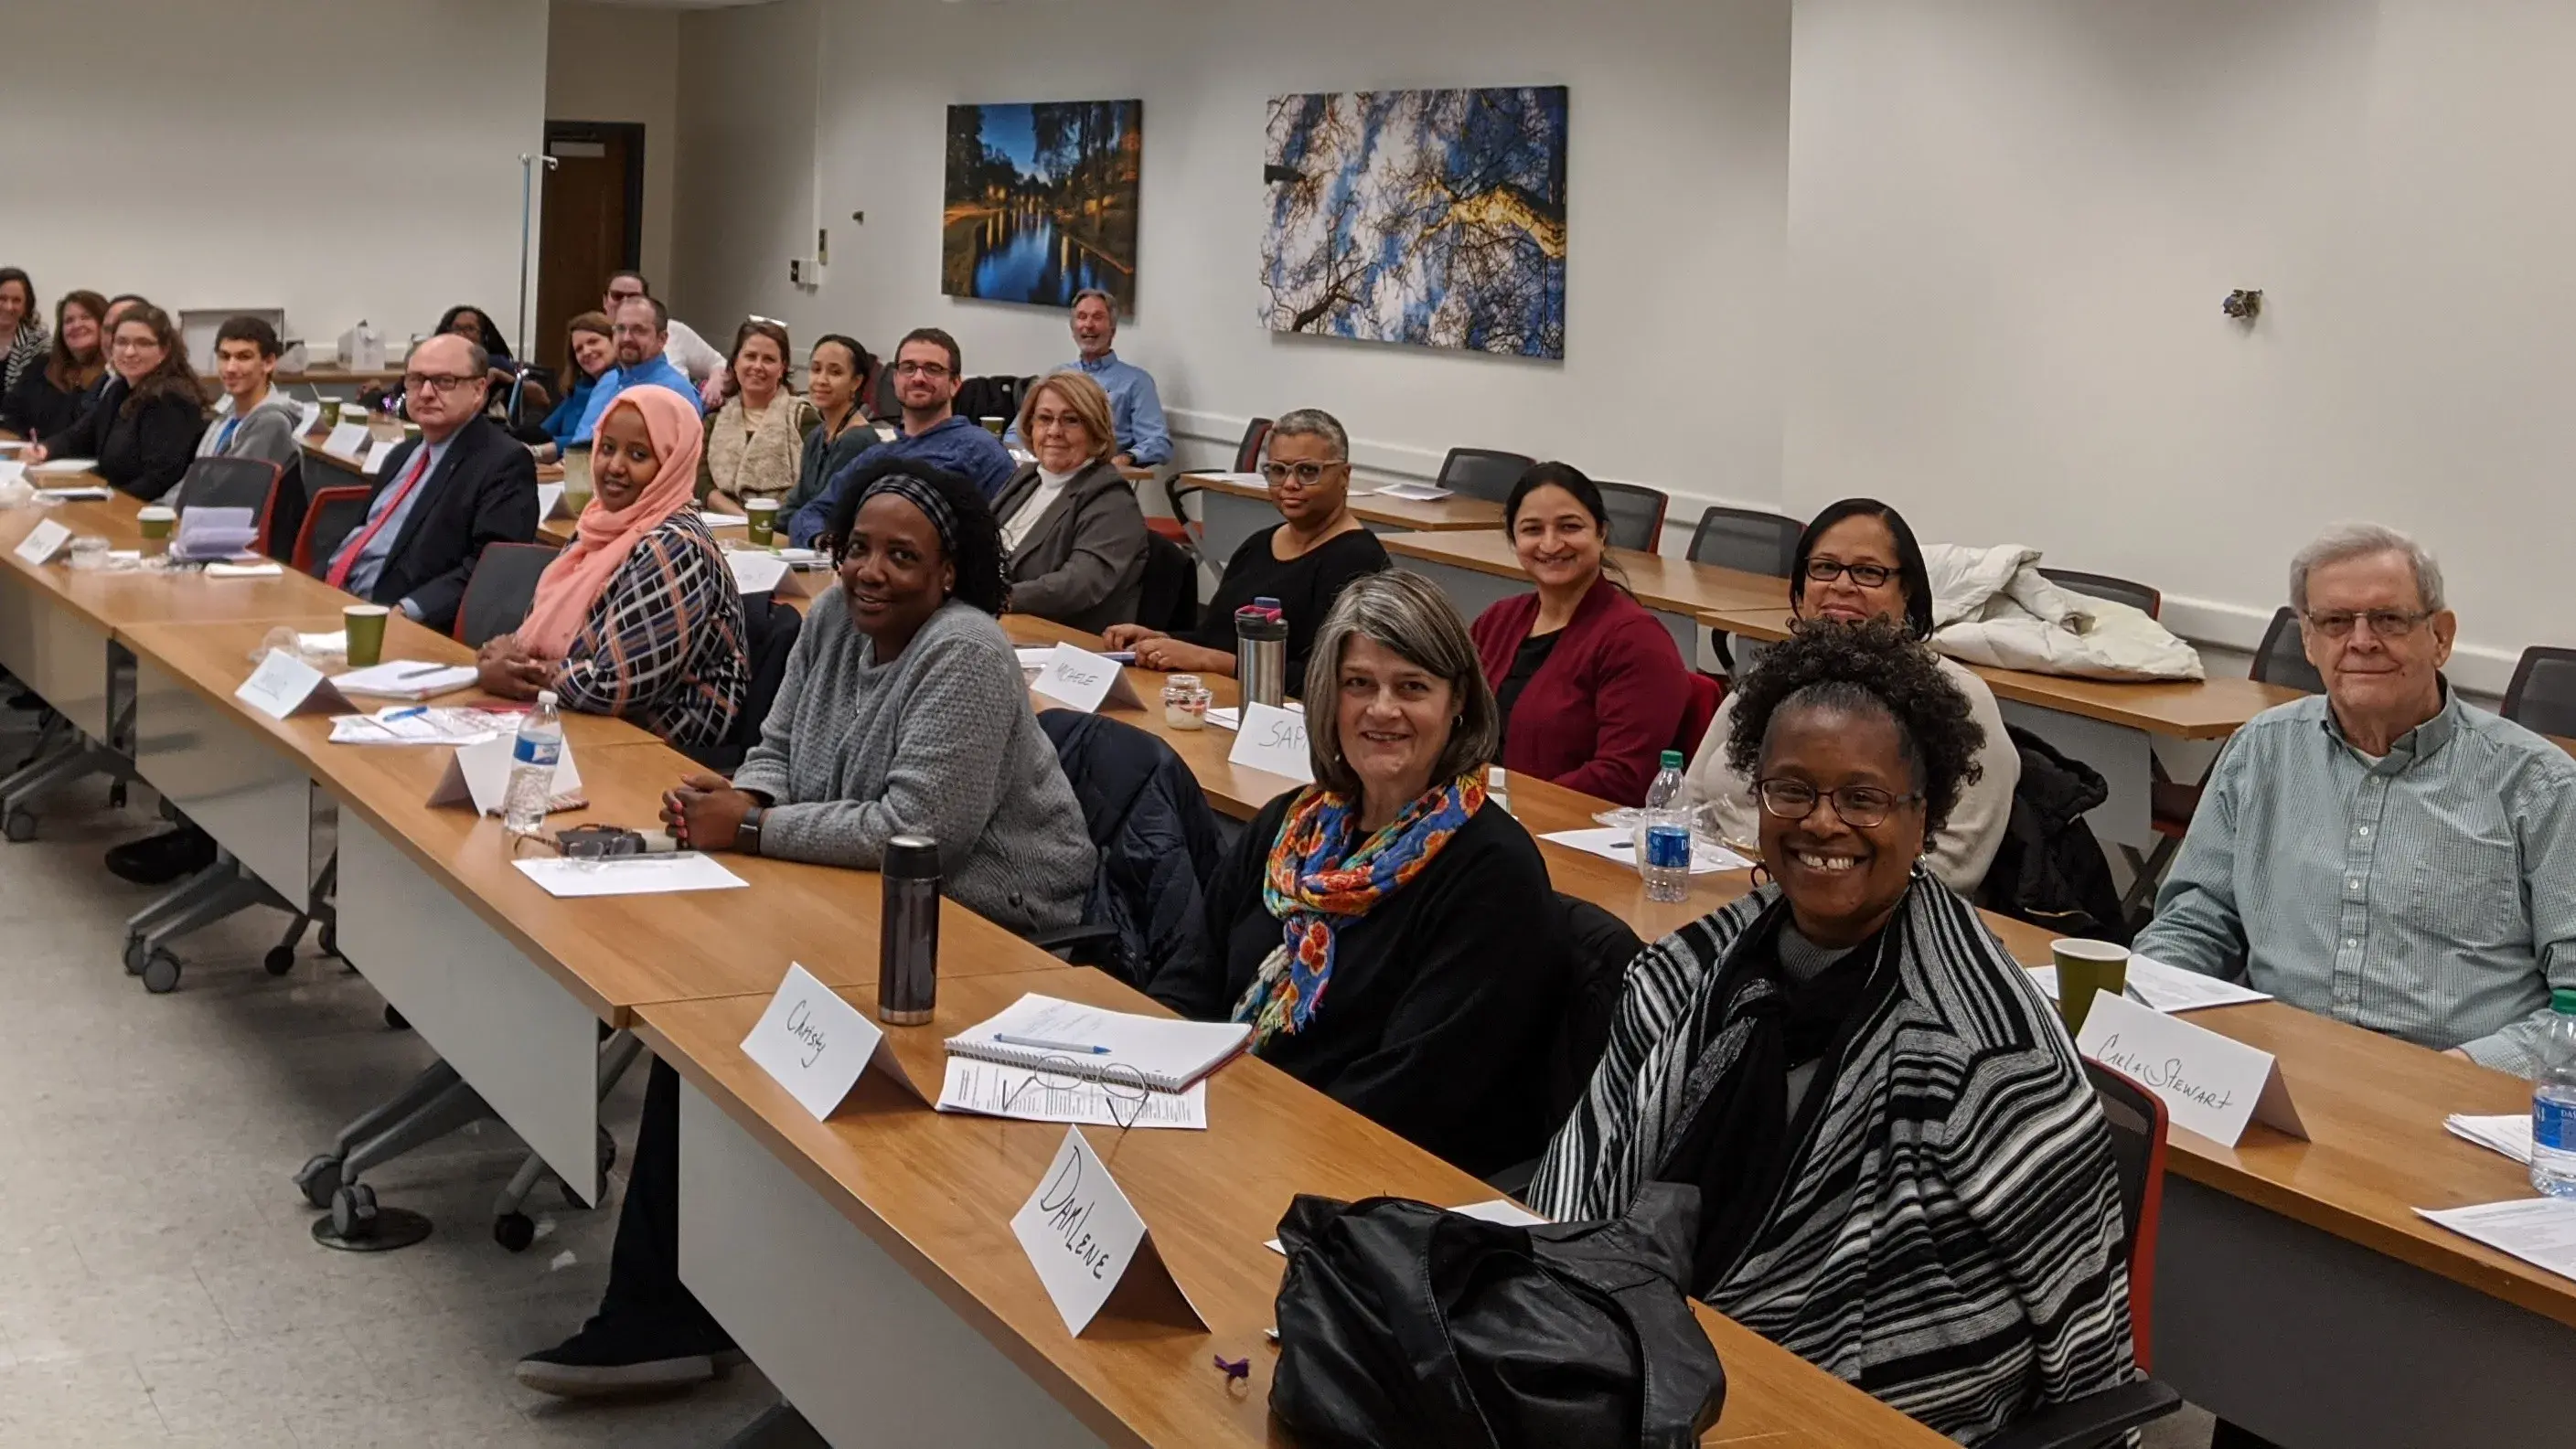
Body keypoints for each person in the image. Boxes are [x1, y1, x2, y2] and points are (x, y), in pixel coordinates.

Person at [515, 457, 1092, 1399]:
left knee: (737, 1021)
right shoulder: (830, 619)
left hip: (992, 928)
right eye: (858, 547)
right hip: (855, 896)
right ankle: (678, 1305)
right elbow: (779, 746)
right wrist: (747, 791)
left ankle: (683, 1310)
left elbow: (921, 832)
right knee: (699, 1016)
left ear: (949, 572)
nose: (869, 571)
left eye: (902, 556)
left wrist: (749, 825)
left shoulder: (968, 652)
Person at [1531, 617, 2136, 1444]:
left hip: (1874, 1407)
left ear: (1925, 818)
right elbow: (1586, 1179)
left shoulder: (1987, 1047)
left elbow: (2081, 1321)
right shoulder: (1687, 969)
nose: (1822, 823)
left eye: (1863, 798)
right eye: (1791, 790)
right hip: (1649, 1357)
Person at [1148, 570, 1570, 1175]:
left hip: (1353, 1175)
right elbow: (1186, 982)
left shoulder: (1491, 874)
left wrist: (1234, 1134)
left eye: (1411, 686)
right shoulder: (1288, 826)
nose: (1382, 709)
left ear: (1457, 705)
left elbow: (1408, 1096)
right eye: (1358, 684)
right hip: (1222, 1133)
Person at [2134, 523, 2576, 1074]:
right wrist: (2148, 1013)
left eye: (2389, 619)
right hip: (2273, 1069)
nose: (2362, 641)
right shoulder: (2262, 750)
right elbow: (2195, 923)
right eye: (2336, 621)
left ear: (2441, 636)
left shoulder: (2540, 786)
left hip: (2455, 1094)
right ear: (2309, 640)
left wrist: (2456, 1075)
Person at [1688, 498, 2018, 892]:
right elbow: (1689, 800)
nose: (1841, 586)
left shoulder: (1960, 698)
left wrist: (1784, 891)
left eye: (1867, 572)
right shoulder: (1772, 677)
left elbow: (1954, 868)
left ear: (1907, 590)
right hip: (1723, 896)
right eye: (1825, 568)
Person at [476, 388, 746, 752]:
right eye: (607, 448)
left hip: (651, 750)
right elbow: (538, 631)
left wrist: (519, 672)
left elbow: (613, 686)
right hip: (573, 719)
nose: (615, 466)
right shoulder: (599, 523)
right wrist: (509, 659)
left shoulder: (675, 544)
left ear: (672, 463)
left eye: (638, 455)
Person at [1103, 408, 1386, 681]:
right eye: (1277, 470)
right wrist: (1159, 640)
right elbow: (1214, 637)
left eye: (1308, 471)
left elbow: (1328, 679)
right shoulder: (1259, 545)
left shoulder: (1358, 562)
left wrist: (1207, 660)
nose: (1289, 484)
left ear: (1344, 476)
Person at [1469, 463, 1694, 805]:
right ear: (1514, 541)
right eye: (1532, 529)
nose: (1550, 544)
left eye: (1569, 527)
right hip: (1482, 813)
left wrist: (1511, 806)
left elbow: (1623, 777)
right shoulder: (1497, 620)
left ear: (1601, 534)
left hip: (1565, 829)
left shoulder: (1637, 642)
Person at [322, 333, 540, 631]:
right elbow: (364, 536)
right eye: (416, 380)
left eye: (444, 381)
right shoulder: (403, 453)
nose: (425, 392)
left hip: (401, 621)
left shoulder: (504, 463)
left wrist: (410, 609)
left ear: (479, 389)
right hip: (335, 598)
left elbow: (490, 569)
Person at [784, 328, 1015, 546]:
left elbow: (1010, 534)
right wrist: (826, 545)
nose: (918, 378)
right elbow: (809, 514)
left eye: (932, 369)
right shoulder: (878, 455)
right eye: (908, 367)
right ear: (895, 379)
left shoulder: (981, 450)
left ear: (955, 384)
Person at [990, 369, 1149, 632]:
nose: (1054, 431)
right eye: (1044, 419)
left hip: (1062, 639)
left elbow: (1078, 585)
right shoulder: (1027, 477)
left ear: (1095, 430)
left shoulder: (1111, 499)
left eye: (1071, 420)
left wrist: (997, 597)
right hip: (998, 624)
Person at [27, 304, 204, 501]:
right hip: (117, 501)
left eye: (143, 343)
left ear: (164, 350)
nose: (129, 352)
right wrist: (45, 449)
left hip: (144, 512)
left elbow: (159, 480)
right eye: (121, 342)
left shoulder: (169, 398)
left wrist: (107, 501)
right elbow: (79, 436)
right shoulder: (119, 389)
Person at [1001, 288, 1170, 467]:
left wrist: (1125, 458)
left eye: (1097, 317)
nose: (1088, 325)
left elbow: (1158, 443)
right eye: (1082, 317)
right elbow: (1015, 433)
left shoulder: (1136, 382)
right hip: (1047, 472)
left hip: (1100, 478)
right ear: (1073, 329)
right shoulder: (1056, 376)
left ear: (1112, 329)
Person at [696, 318, 818, 515]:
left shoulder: (804, 417)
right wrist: (743, 519)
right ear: (735, 362)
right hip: (723, 526)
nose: (758, 366)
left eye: (769, 359)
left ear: (782, 368)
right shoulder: (712, 421)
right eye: (750, 356)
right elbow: (702, 484)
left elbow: (814, 486)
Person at [571, 295, 697, 446]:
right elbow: (578, 446)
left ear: (662, 339)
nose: (626, 338)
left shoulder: (676, 392)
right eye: (620, 329)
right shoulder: (606, 382)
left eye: (639, 330)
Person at [776, 333, 874, 524]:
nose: (821, 380)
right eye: (816, 369)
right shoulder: (816, 436)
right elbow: (797, 500)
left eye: (835, 372)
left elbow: (828, 512)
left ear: (856, 382)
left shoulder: (858, 441)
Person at [191, 315, 304, 478]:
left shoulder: (272, 422)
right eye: (224, 356)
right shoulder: (226, 416)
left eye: (244, 357)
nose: (230, 368)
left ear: (268, 363)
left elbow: (224, 485)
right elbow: (196, 475)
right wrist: (160, 503)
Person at [602, 270, 725, 403]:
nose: (625, 302)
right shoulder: (592, 346)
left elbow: (718, 363)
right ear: (605, 301)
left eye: (634, 297)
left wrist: (714, 384)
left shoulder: (674, 331)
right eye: (617, 296)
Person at [0, 289, 104, 439]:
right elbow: (9, 417)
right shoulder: (41, 366)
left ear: (104, 324)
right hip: (30, 457)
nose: (76, 325)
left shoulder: (114, 375)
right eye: (68, 320)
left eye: (86, 317)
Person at [532, 311, 615, 462]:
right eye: (579, 349)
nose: (587, 352)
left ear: (614, 340)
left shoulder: (622, 386)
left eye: (593, 341)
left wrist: (539, 451)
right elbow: (544, 431)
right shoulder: (580, 388)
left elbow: (593, 440)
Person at [0, 269, 45, 397]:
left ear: (26, 305)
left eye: (16, 300)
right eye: (2, 298)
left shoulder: (40, 344)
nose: (9, 307)